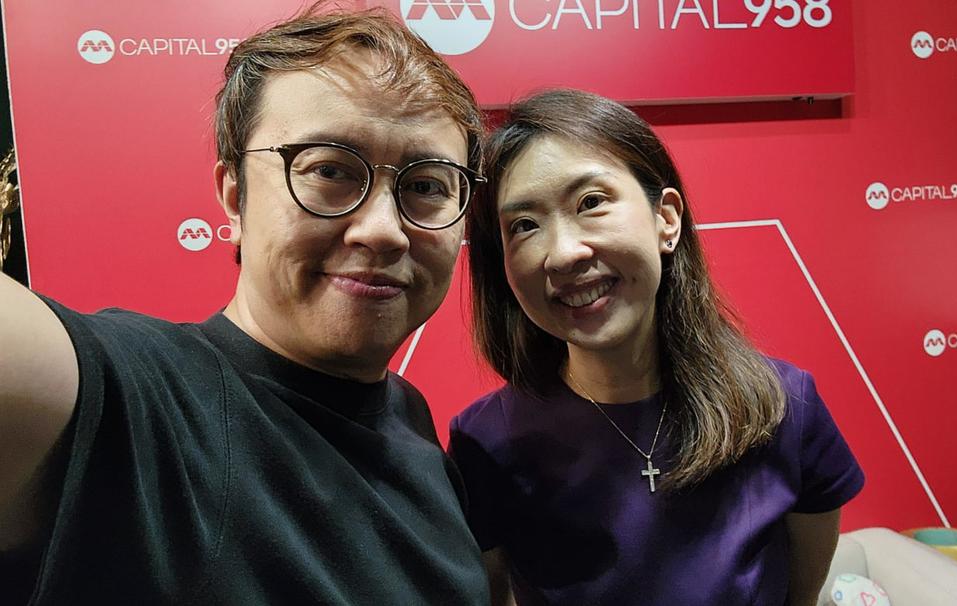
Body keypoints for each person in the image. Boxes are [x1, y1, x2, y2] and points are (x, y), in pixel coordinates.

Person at [0, 7, 491, 604]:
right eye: (329, 170)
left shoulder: (410, 419)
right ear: (235, 199)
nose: (384, 230)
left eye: (426, 185)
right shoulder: (144, 406)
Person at [450, 89, 865, 606]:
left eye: (591, 203)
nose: (563, 253)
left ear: (666, 219)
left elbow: (799, 594)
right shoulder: (485, 442)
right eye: (524, 226)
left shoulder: (785, 407)